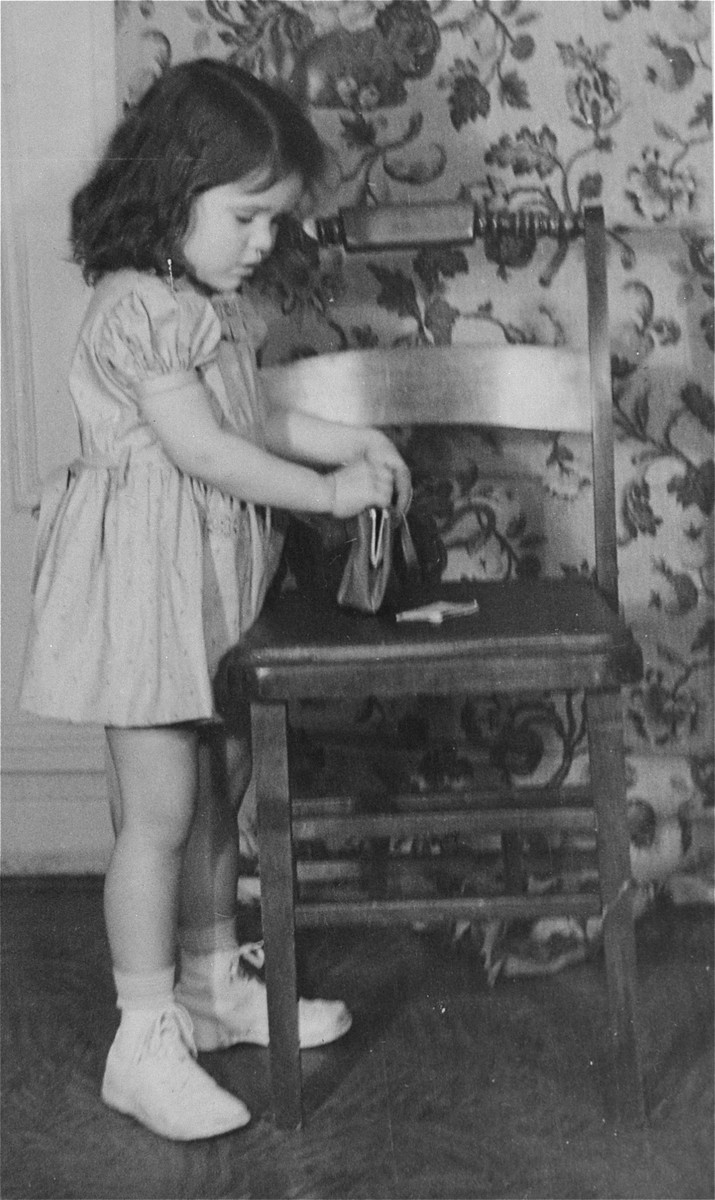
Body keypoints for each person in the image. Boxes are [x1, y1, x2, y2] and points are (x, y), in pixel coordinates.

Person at [20, 59, 411, 1142]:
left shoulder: (209, 305)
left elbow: (255, 420)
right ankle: (139, 1038)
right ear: (168, 188)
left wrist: (350, 440)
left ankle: (207, 981)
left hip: (208, 589)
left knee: (219, 793)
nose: (262, 244)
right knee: (154, 815)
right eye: (246, 217)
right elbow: (203, 450)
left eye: (274, 223)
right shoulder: (138, 307)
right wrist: (329, 493)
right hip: (144, 591)